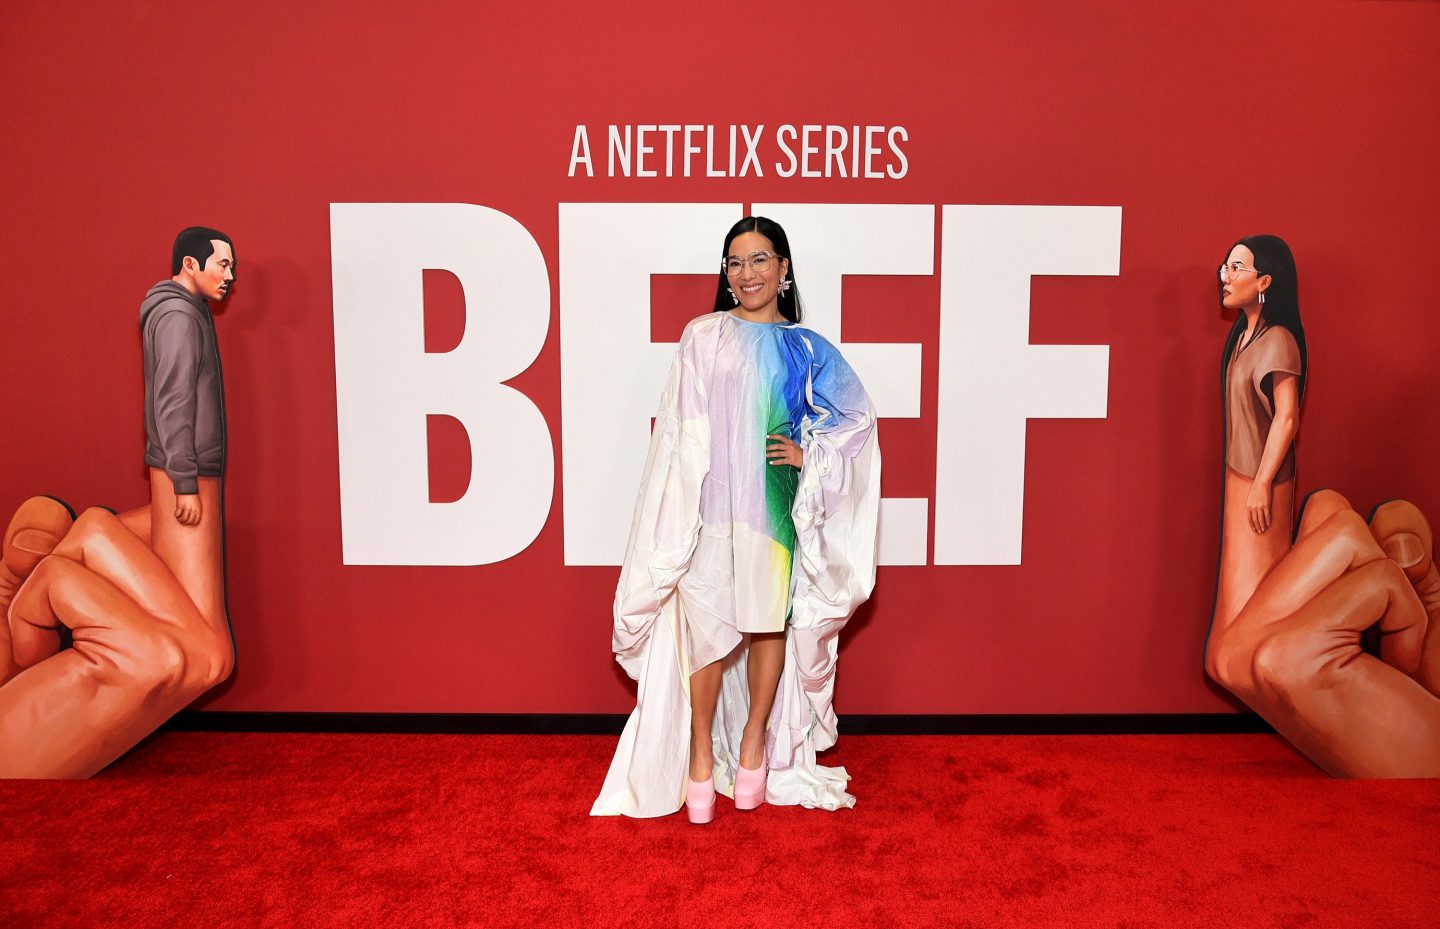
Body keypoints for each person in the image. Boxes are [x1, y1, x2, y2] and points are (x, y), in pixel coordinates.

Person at [592, 216, 880, 820]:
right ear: (726, 274)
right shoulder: (703, 336)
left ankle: (753, 746)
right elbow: (680, 429)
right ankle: (701, 752)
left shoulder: (805, 349)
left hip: (769, 511)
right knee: (704, 628)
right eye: (735, 262)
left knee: (766, 623)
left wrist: (813, 456)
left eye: (758, 260)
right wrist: (683, 505)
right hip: (707, 508)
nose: (746, 273)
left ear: (783, 269)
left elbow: (856, 423)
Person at [0, 227, 237, 778]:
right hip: (191, 469)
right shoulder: (178, 317)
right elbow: (174, 397)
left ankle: (87, 540)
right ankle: (70, 558)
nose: (230, 275)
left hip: (196, 466)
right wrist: (182, 479)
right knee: (197, 659)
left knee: (207, 661)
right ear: (190, 262)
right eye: (223, 264)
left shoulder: (182, 311)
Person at [1203, 236, 1440, 776]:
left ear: (1265, 282)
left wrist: (1263, 483)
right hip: (1241, 480)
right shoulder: (1245, 335)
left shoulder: (1279, 340)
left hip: (1261, 485)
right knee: (1227, 661)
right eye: (1226, 264)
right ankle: (1357, 553)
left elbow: (1286, 418)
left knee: (1240, 658)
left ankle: (1358, 550)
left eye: (1237, 266)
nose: (1224, 272)